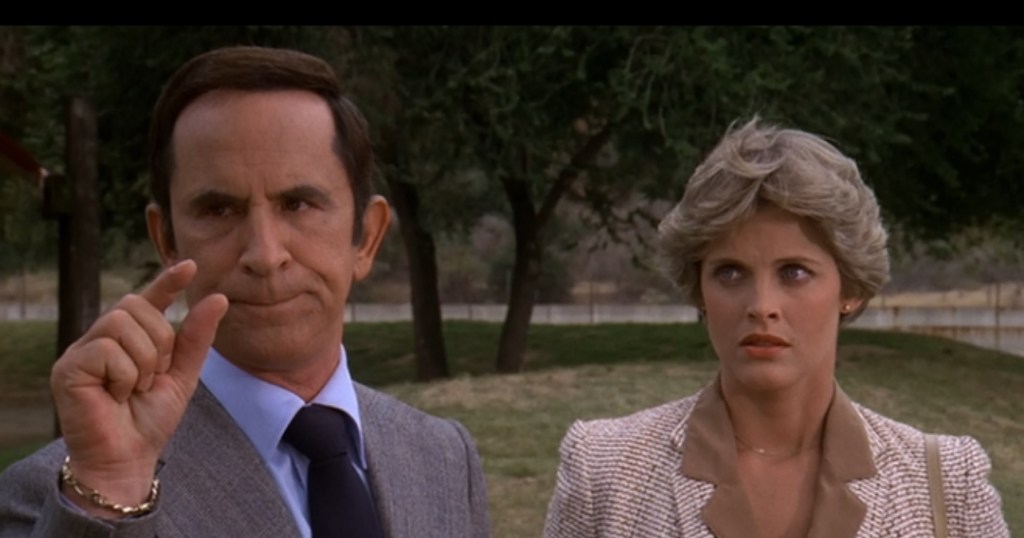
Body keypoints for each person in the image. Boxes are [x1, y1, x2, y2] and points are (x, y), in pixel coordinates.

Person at [0, 46, 490, 538]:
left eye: (298, 204)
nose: (264, 253)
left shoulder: (443, 458)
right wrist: (111, 487)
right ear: (166, 240)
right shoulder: (62, 498)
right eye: (219, 210)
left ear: (366, 237)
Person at [542, 118, 1009, 537]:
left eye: (794, 272)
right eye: (730, 272)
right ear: (699, 289)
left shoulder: (945, 483)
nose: (761, 307)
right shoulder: (604, 471)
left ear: (850, 288)